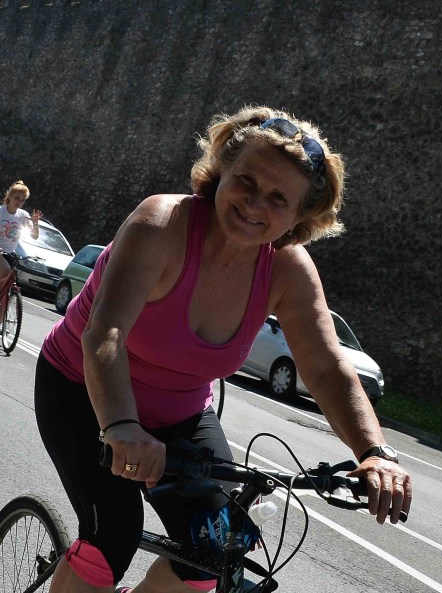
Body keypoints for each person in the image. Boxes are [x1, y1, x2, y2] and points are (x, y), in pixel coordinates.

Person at [34, 105, 413, 593]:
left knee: (218, 548)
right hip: (82, 389)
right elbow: (105, 332)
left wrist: (375, 453)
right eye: (246, 182)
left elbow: (325, 367)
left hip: (179, 415)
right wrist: (122, 424)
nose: (255, 204)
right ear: (221, 171)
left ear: (300, 216)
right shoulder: (162, 223)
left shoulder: (287, 270)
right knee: (114, 533)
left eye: (279, 198)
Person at [0, 180, 42, 333]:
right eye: (17, 198)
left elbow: (34, 236)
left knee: (5, 291)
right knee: (4, 269)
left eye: (23, 200)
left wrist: (35, 223)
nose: (19, 202)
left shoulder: (23, 216)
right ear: (10, 196)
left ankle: (0, 325)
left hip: (9, 253)